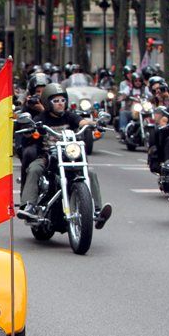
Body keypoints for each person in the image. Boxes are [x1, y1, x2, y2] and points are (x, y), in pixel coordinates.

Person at [17, 83, 113, 229]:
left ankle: (97, 210)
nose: (60, 104)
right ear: (47, 103)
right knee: (34, 169)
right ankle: (29, 205)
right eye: (56, 101)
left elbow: (82, 121)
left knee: (90, 172)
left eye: (62, 100)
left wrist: (94, 123)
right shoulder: (41, 118)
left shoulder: (69, 116)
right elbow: (29, 133)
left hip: (70, 154)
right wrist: (30, 129)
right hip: (48, 155)